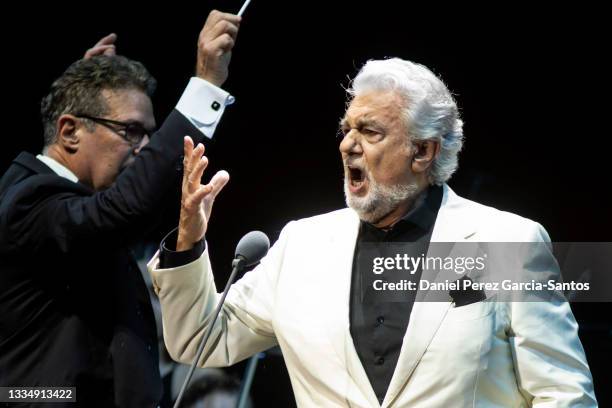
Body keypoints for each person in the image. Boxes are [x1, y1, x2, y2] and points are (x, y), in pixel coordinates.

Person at [148, 58, 597, 407]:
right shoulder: (302, 247)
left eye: (370, 130)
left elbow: (564, 393)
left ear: (423, 151)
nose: (347, 143)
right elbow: (198, 340)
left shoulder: (504, 244)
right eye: (347, 129)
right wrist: (188, 240)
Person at [0, 10, 241, 408]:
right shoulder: (28, 203)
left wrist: (81, 84)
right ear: (70, 131)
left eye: (148, 134)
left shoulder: (56, 199)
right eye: (131, 131)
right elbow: (124, 208)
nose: (144, 148)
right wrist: (205, 86)